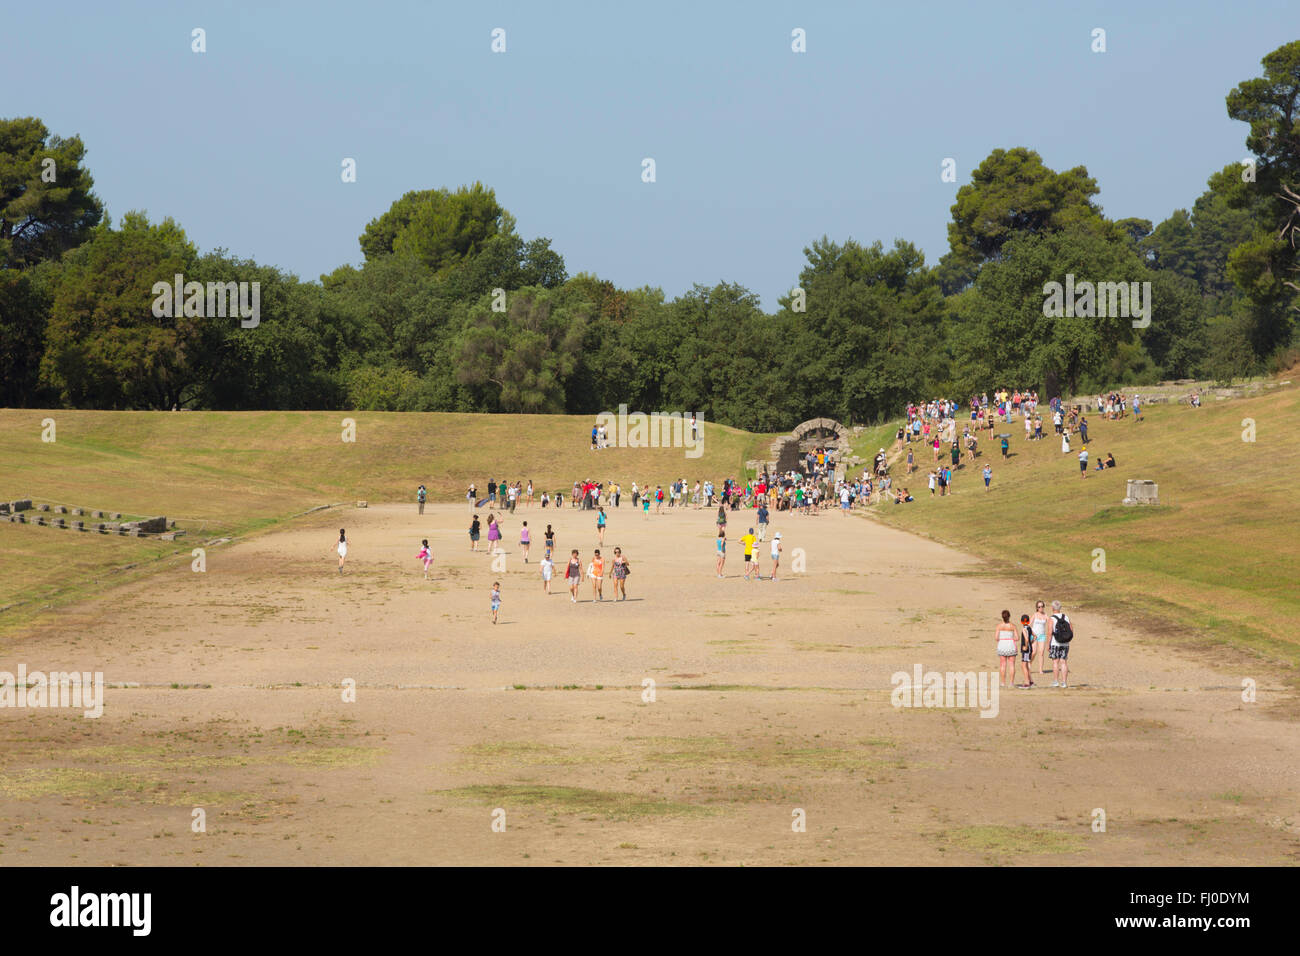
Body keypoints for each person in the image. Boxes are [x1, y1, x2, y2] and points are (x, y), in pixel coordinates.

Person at [1049, 600, 1073, 688]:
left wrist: (1048, 644)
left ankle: (1055, 681)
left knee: (1055, 662)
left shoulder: (1052, 618)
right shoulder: (1066, 617)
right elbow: (1071, 630)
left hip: (1055, 643)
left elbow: (1049, 632)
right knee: (1064, 662)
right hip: (1065, 643)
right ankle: (1064, 682)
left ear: (1052, 608)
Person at [996, 610, 1018, 688]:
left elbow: (996, 637)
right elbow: (1017, 638)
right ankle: (1011, 683)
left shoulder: (999, 626)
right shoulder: (1013, 626)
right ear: (1009, 616)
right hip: (1010, 645)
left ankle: (1003, 682)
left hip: (1002, 644)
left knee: (1003, 664)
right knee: (1012, 664)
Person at [1031, 601, 1051, 674]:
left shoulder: (1045, 615)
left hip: (1042, 636)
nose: (1041, 608)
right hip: (1034, 635)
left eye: (1042, 606)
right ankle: (1029, 663)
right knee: (1033, 652)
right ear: (1037, 608)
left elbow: (1050, 622)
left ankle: (1040, 670)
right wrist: (1032, 634)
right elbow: (1029, 625)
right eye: (1039, 607)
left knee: (1041, 652)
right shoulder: (1035, 615)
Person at [1018, 614, 1035, 688]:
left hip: (1026, 650)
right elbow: (1035, 636)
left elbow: (1026, 639)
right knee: (1027, 665)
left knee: (1023, 666)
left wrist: (1025, 645)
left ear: (1021, 622)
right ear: (1028, 621)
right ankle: (1030, 681)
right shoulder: (1030, 628)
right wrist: (1032, 642)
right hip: (1030, 649)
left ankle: (1027, 682)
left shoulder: (1024, 629)